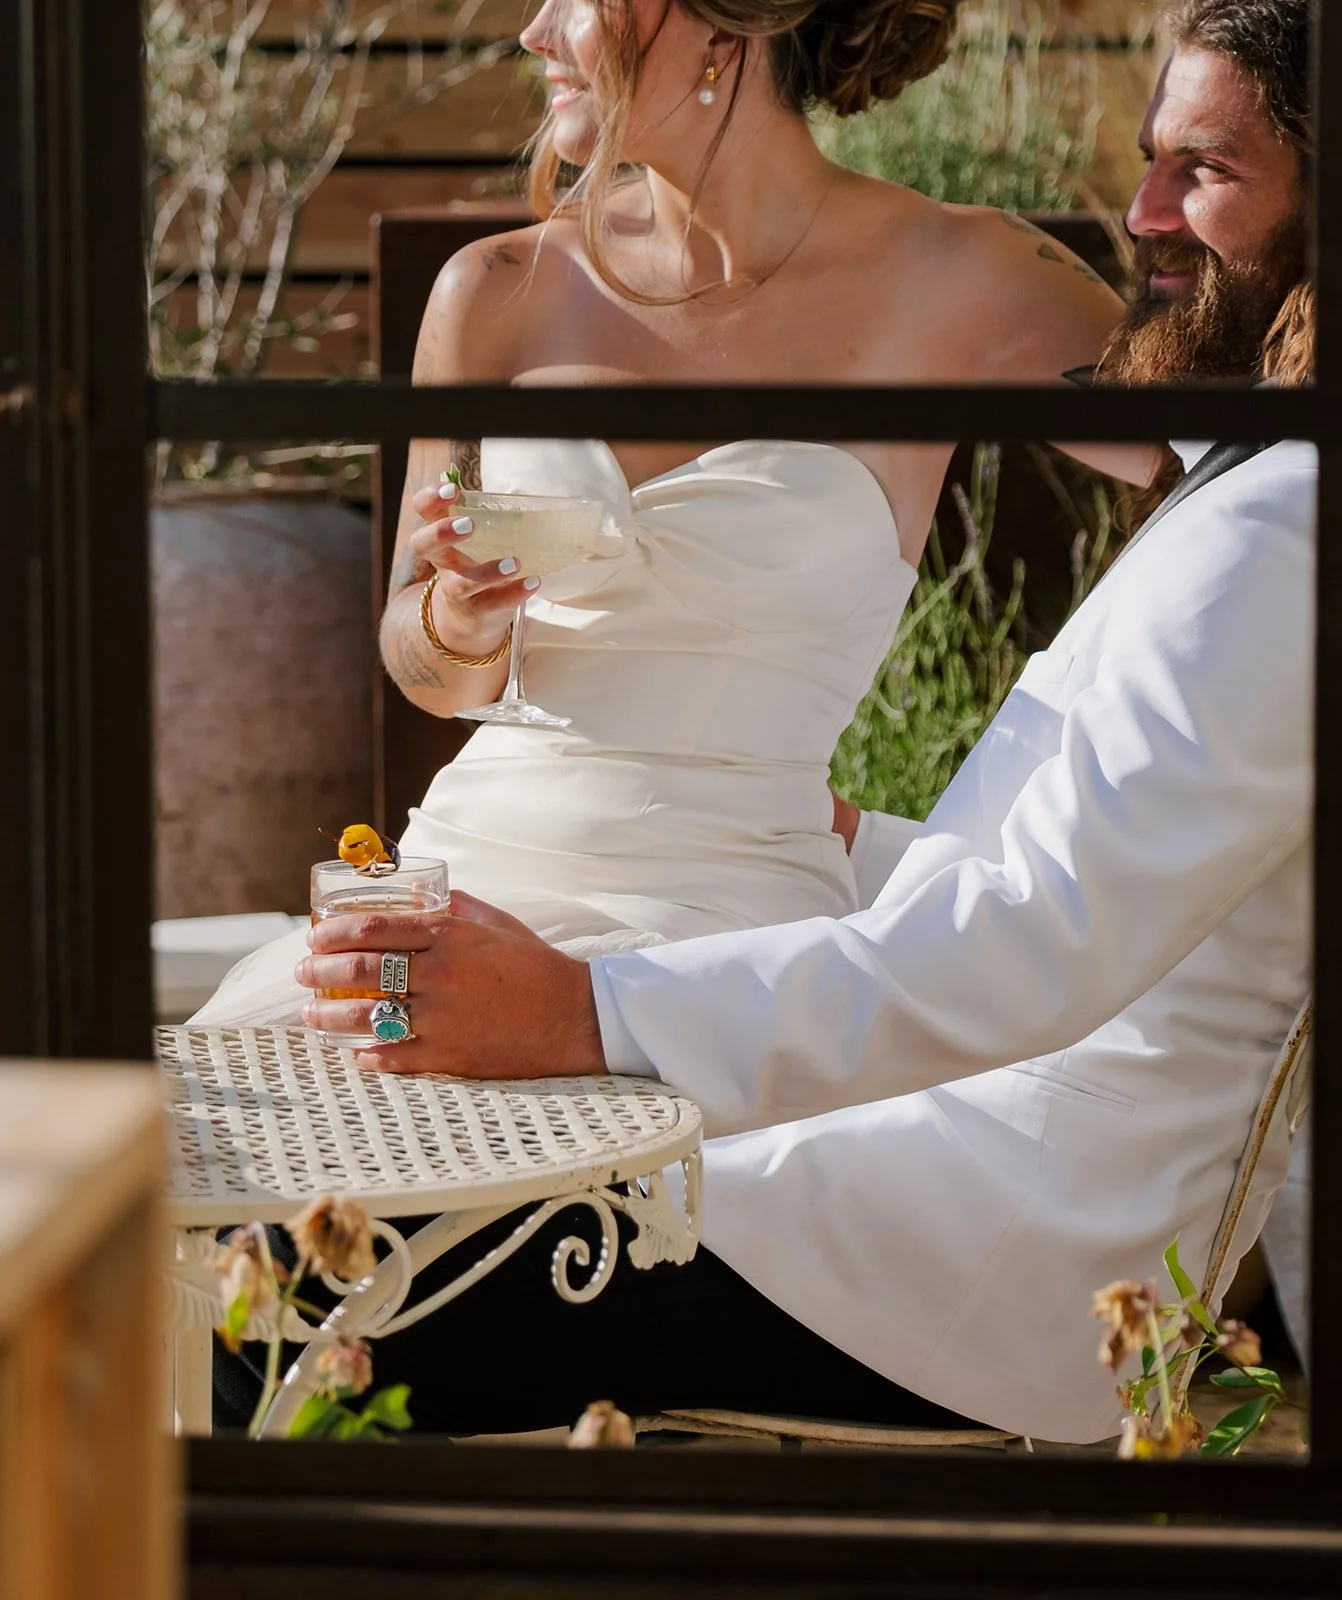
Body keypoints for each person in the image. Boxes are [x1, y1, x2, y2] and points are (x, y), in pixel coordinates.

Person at [258, 0, 1342, 1444]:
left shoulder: (1311, 524)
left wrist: (582, 1009)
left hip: (966, 1251)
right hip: (947, 1174)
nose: (1137, 216)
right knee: (293, 1212)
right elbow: (1118, 874)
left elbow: (1027, 948)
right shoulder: (1316, 496)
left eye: (1204, 170)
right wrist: (856, 841)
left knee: (278, 1287)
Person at [190, 0, 1149, 1030]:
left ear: (723, 26)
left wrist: (1072, 765)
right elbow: (420, 667)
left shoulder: (966, 277)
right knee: (250, 1143)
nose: (535, 33)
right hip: (464, 875)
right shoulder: (495, 288)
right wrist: (457, 623)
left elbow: (1229, 476)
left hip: (734, 926)